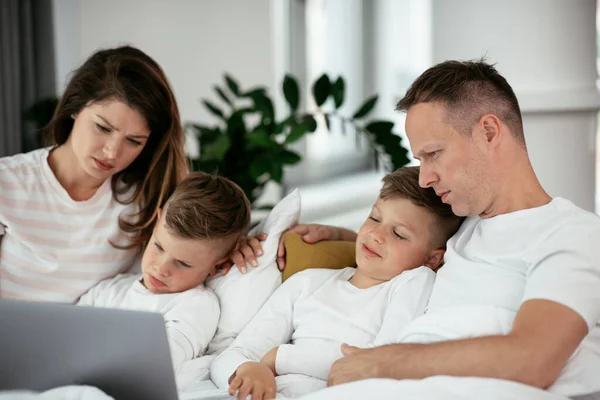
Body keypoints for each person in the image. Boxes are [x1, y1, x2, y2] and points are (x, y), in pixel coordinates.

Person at [275, 60, 600, 399]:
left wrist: (381, 363)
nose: (424, 178)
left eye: (433, 154)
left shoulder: (573, 234)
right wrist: (345, 238)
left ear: (488, 132)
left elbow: (532, 359)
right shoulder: (461, 223)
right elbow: (416, 246)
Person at [210, 166, 464, 400]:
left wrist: (280, 358)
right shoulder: (307, 283)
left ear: (432, 258)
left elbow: (380, 361)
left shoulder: (414, 282)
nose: (376, 235)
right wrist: (248, 369)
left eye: (398, 234)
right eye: (375, 218)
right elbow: (231, 356)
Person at [0, 45, 189, 303]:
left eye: (134, 141)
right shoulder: (7, 182)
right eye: (102, 127)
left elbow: (197, 255)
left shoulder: (146, 200)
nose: (112, 152)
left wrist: (234, 250)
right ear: (75, 107)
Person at [77, 171, 251, 371]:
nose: (161, 268)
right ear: (157, 221)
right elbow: (64, 333)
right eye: (159, 247)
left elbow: (161, 361)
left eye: (182, 263)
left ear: (217, 265)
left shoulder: (196, 305)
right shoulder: (109, 290)